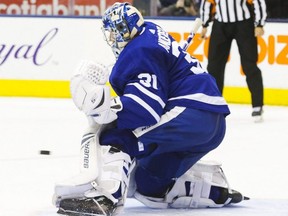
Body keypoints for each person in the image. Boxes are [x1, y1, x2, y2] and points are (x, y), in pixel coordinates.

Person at [52, 2, 248, 215]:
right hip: (211, 121)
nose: (110, 39)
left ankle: (106, 198)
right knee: (147, 184)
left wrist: (108, 107)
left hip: (191, 112)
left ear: (123, 31)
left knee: (115, 134)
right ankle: (213, 191)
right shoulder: (149, 31)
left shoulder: (139, 50)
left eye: (112, 32)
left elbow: (146, 110)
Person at [199, 0, 267, 122]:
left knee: (249, 65)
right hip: (220, 25)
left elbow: (258, 1)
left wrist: (260, 24)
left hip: (244, 24)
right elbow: (207, 2)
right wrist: (204, 24)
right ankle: (215, 104)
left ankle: (257, 105)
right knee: (214, 67)